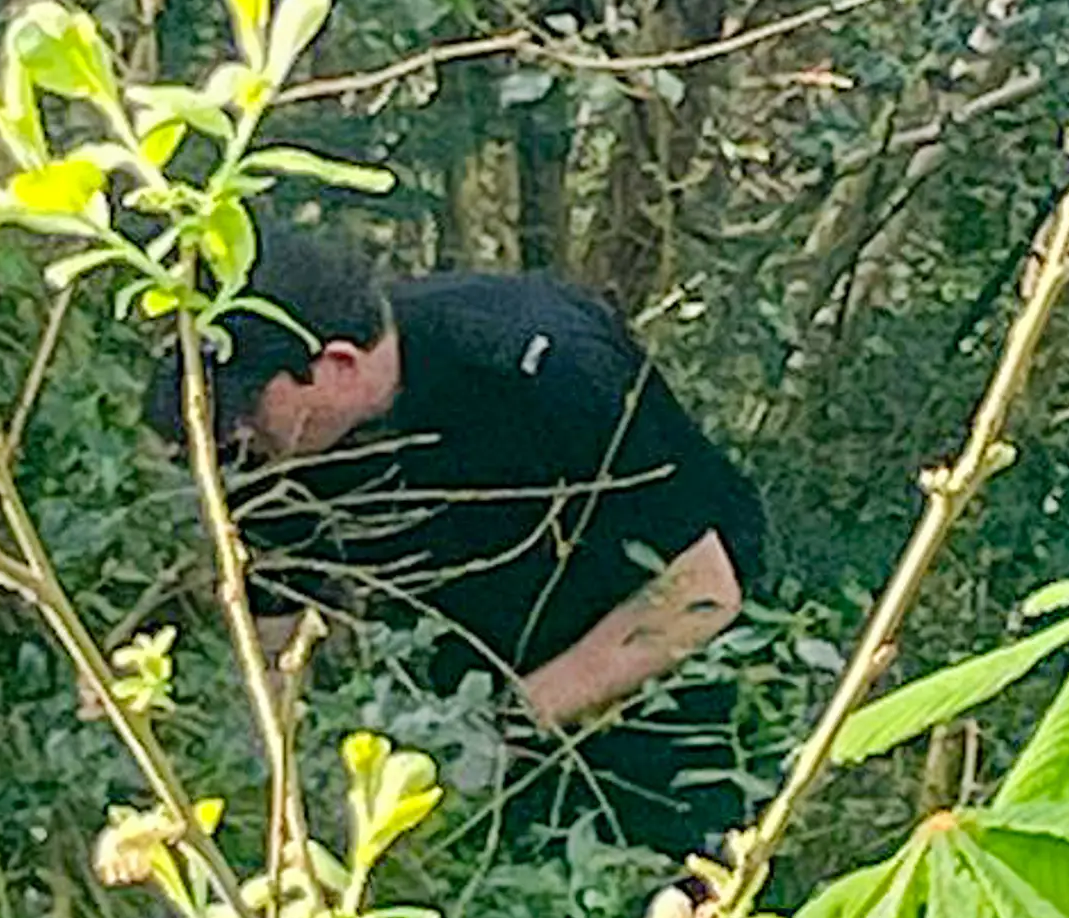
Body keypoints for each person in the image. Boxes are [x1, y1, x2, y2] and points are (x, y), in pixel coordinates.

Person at [144, 230, 770, 860]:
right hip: (477, 664)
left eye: (249, 405)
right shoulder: (280, 451)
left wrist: (503, 727)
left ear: (339, 365)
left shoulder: (546, 364)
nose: (233, 432)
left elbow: (702, 592)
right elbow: (272, 635)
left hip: (669, 661)